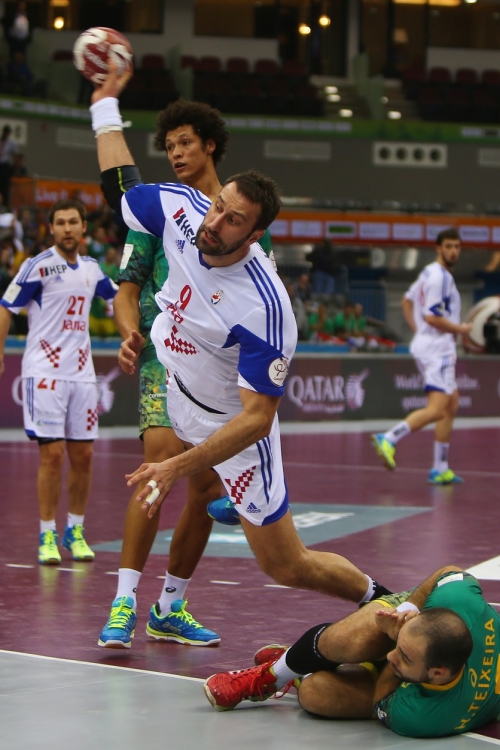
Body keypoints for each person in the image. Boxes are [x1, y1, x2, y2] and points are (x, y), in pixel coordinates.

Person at [90, 69, 392, 635]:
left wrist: (178, 465)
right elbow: (119, 186)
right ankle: (131, 602)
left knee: (285, 565)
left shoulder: (265, 307)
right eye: (218, 207)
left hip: (231, 423)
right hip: (172, 380)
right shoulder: (181, 209)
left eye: (233, 220)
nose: (215, 223)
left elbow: (256, 418)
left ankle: (384, 600)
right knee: (161, 478)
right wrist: (104, 103)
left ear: (254, 237)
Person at [98, 100, 244, 650]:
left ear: (210, 144)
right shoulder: (160, 211)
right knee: (157, 469)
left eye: (185, 143)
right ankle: (124, 601)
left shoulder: (241, 213)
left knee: (205, 486)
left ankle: (170, 607)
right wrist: (129, 332)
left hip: (216, 365)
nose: (176, 153)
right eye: (169, 146)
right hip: (163, 353)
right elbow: (127, 291)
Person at [204, 566, 500, 739]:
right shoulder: (463, 604)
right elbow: (449, 572)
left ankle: (298, 661)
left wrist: (396, 643)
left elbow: (381, 697)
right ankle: (271, 675)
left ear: (438, 673)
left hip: (402, 683)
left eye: (404, 656)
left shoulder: (426, 718)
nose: (393, 655)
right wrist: (407, 613)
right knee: (352, 641)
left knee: (316, 695)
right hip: (415, 629)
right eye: (398, 649)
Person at [0, 199, 117, 564]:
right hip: (45, 373)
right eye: (61, 222)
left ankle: (75, 531)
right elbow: (6, 306)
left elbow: (119, 300)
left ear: (83, 228)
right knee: (52, 456)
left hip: (82, 376)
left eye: (73, 222)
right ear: (51, 229)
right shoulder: (37, 266)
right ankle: (47, 533)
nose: (67, 228)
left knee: (84, 455)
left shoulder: (93, 269)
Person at [371, 228, 472, 484]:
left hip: (427, 345)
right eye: (449, 246)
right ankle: (389, 438)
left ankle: (440, 467)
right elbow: (432, 317)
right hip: (439, 350)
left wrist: (420, 333)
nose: (453, 251)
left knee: (451, 403)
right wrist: (460, 329)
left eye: (457, 246)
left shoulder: (428, 272)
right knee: (438, 409)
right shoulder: (441, 278)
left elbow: (406, 302)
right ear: (439, 248)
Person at [0, 125, 17, 208]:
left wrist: (14, 167)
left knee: (5, 188)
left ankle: (4, 206)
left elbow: (15, 154)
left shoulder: (11, 143)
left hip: (5, 167)